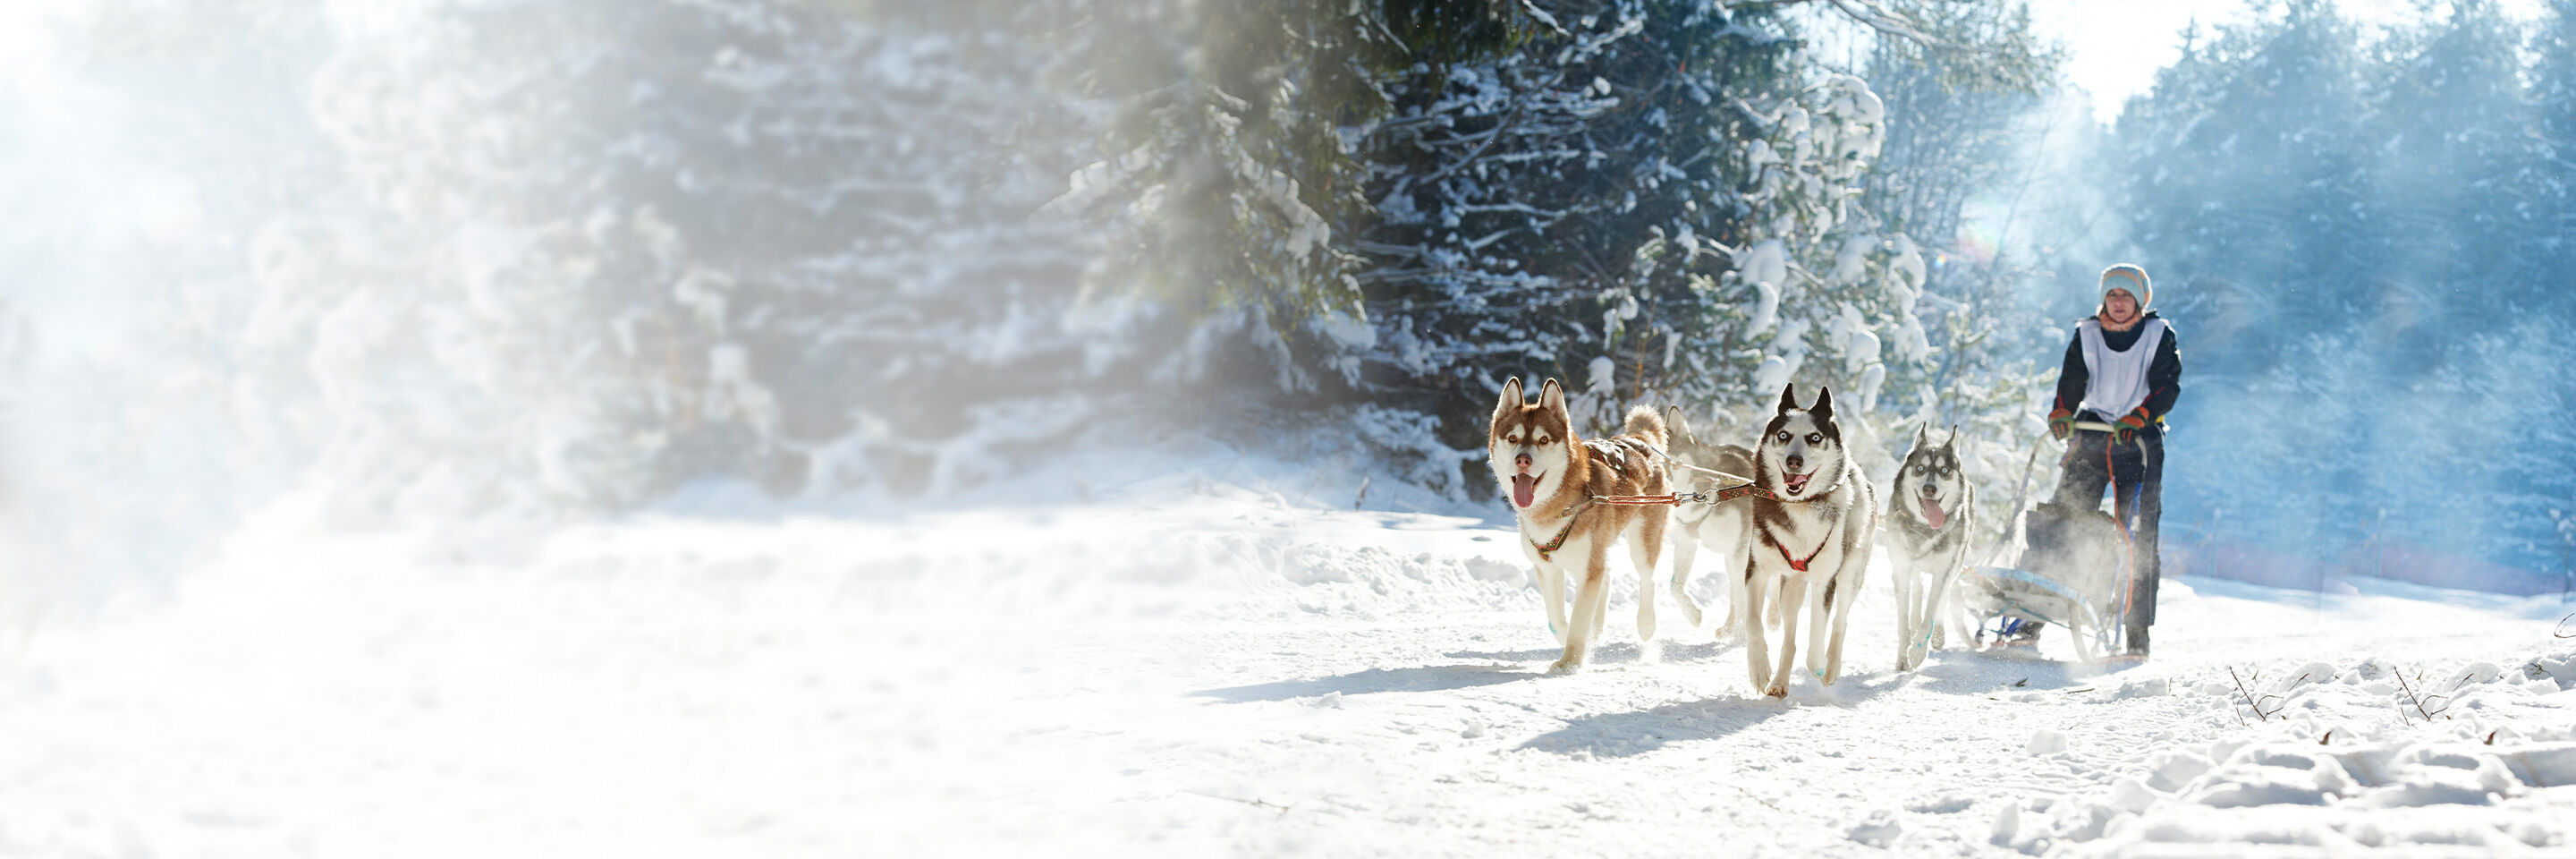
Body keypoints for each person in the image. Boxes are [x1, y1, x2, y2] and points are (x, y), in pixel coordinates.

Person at [2038, 263, 2181, 657]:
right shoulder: (2086, 334)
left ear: (2140, 300)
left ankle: (2137, 633)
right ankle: (2030, 616)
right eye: (2112, 295)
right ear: (2104, 299)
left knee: (2137, 534)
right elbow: (2071, 381)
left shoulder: (2158, 335)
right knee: (2060, 518)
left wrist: (2141, 416)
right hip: (2094, 434)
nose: (2118, 303)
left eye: (2126, 296)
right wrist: (2062, 411)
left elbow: (2168, 386)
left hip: (2139, 442)